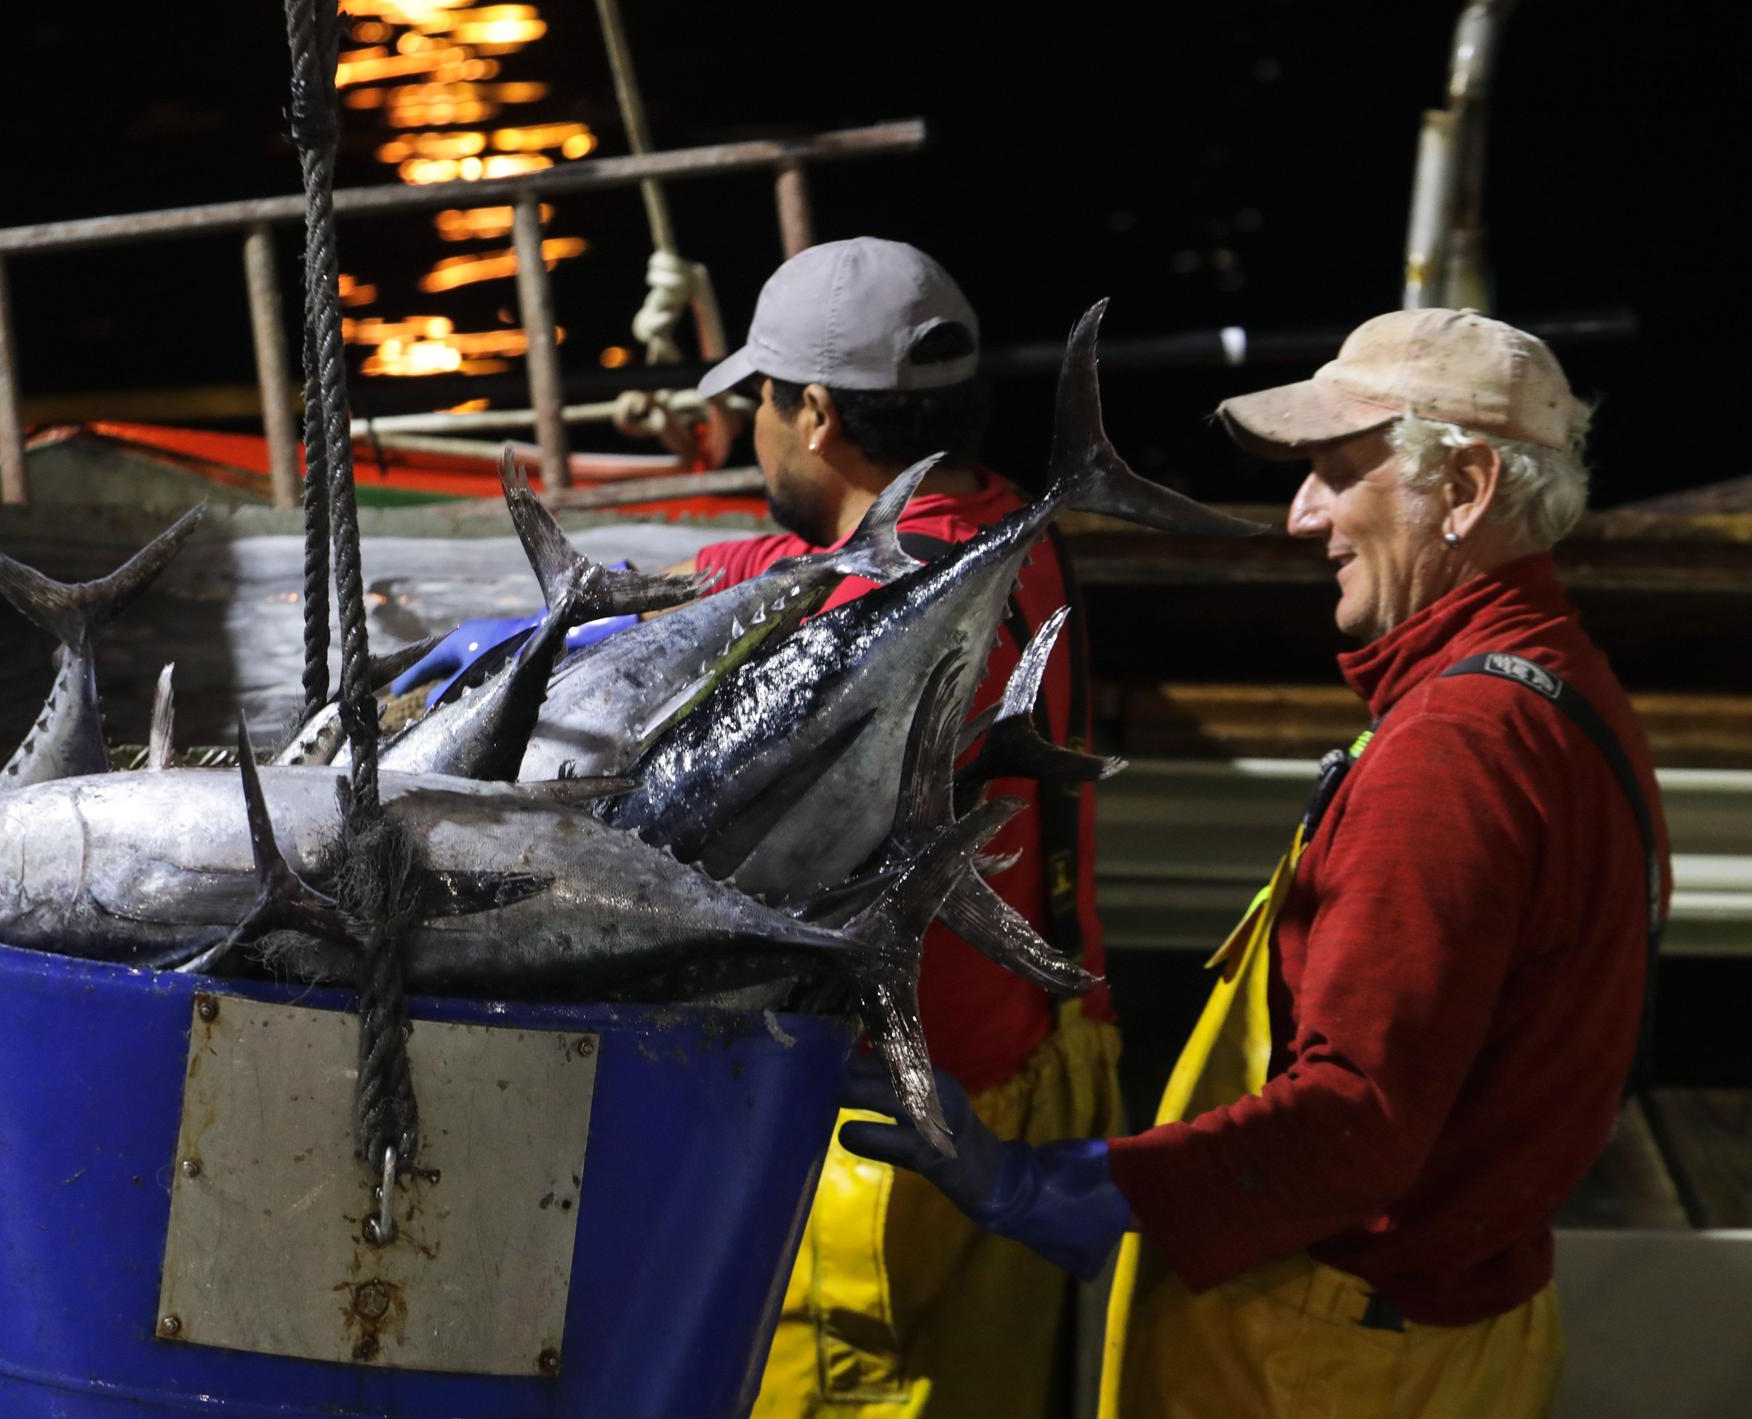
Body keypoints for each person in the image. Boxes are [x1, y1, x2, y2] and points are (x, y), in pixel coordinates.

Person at [840, 307, 1669, 1419]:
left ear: (1464, 488)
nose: (1300, 517)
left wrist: (1055, 1186)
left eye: (1335, 473)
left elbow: (1354, 1120)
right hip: (1469, 1332)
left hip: (1331, 1366)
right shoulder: (1562, 684)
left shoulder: (1451, 757)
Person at [678, 238, 1123, 1418]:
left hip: (897, 1147)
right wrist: (709, 573)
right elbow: (817, 558)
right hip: (1032, 1071)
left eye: (760, 404)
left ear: (813, 414)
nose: (750, 436)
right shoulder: (1014, 534)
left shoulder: (861, 627)